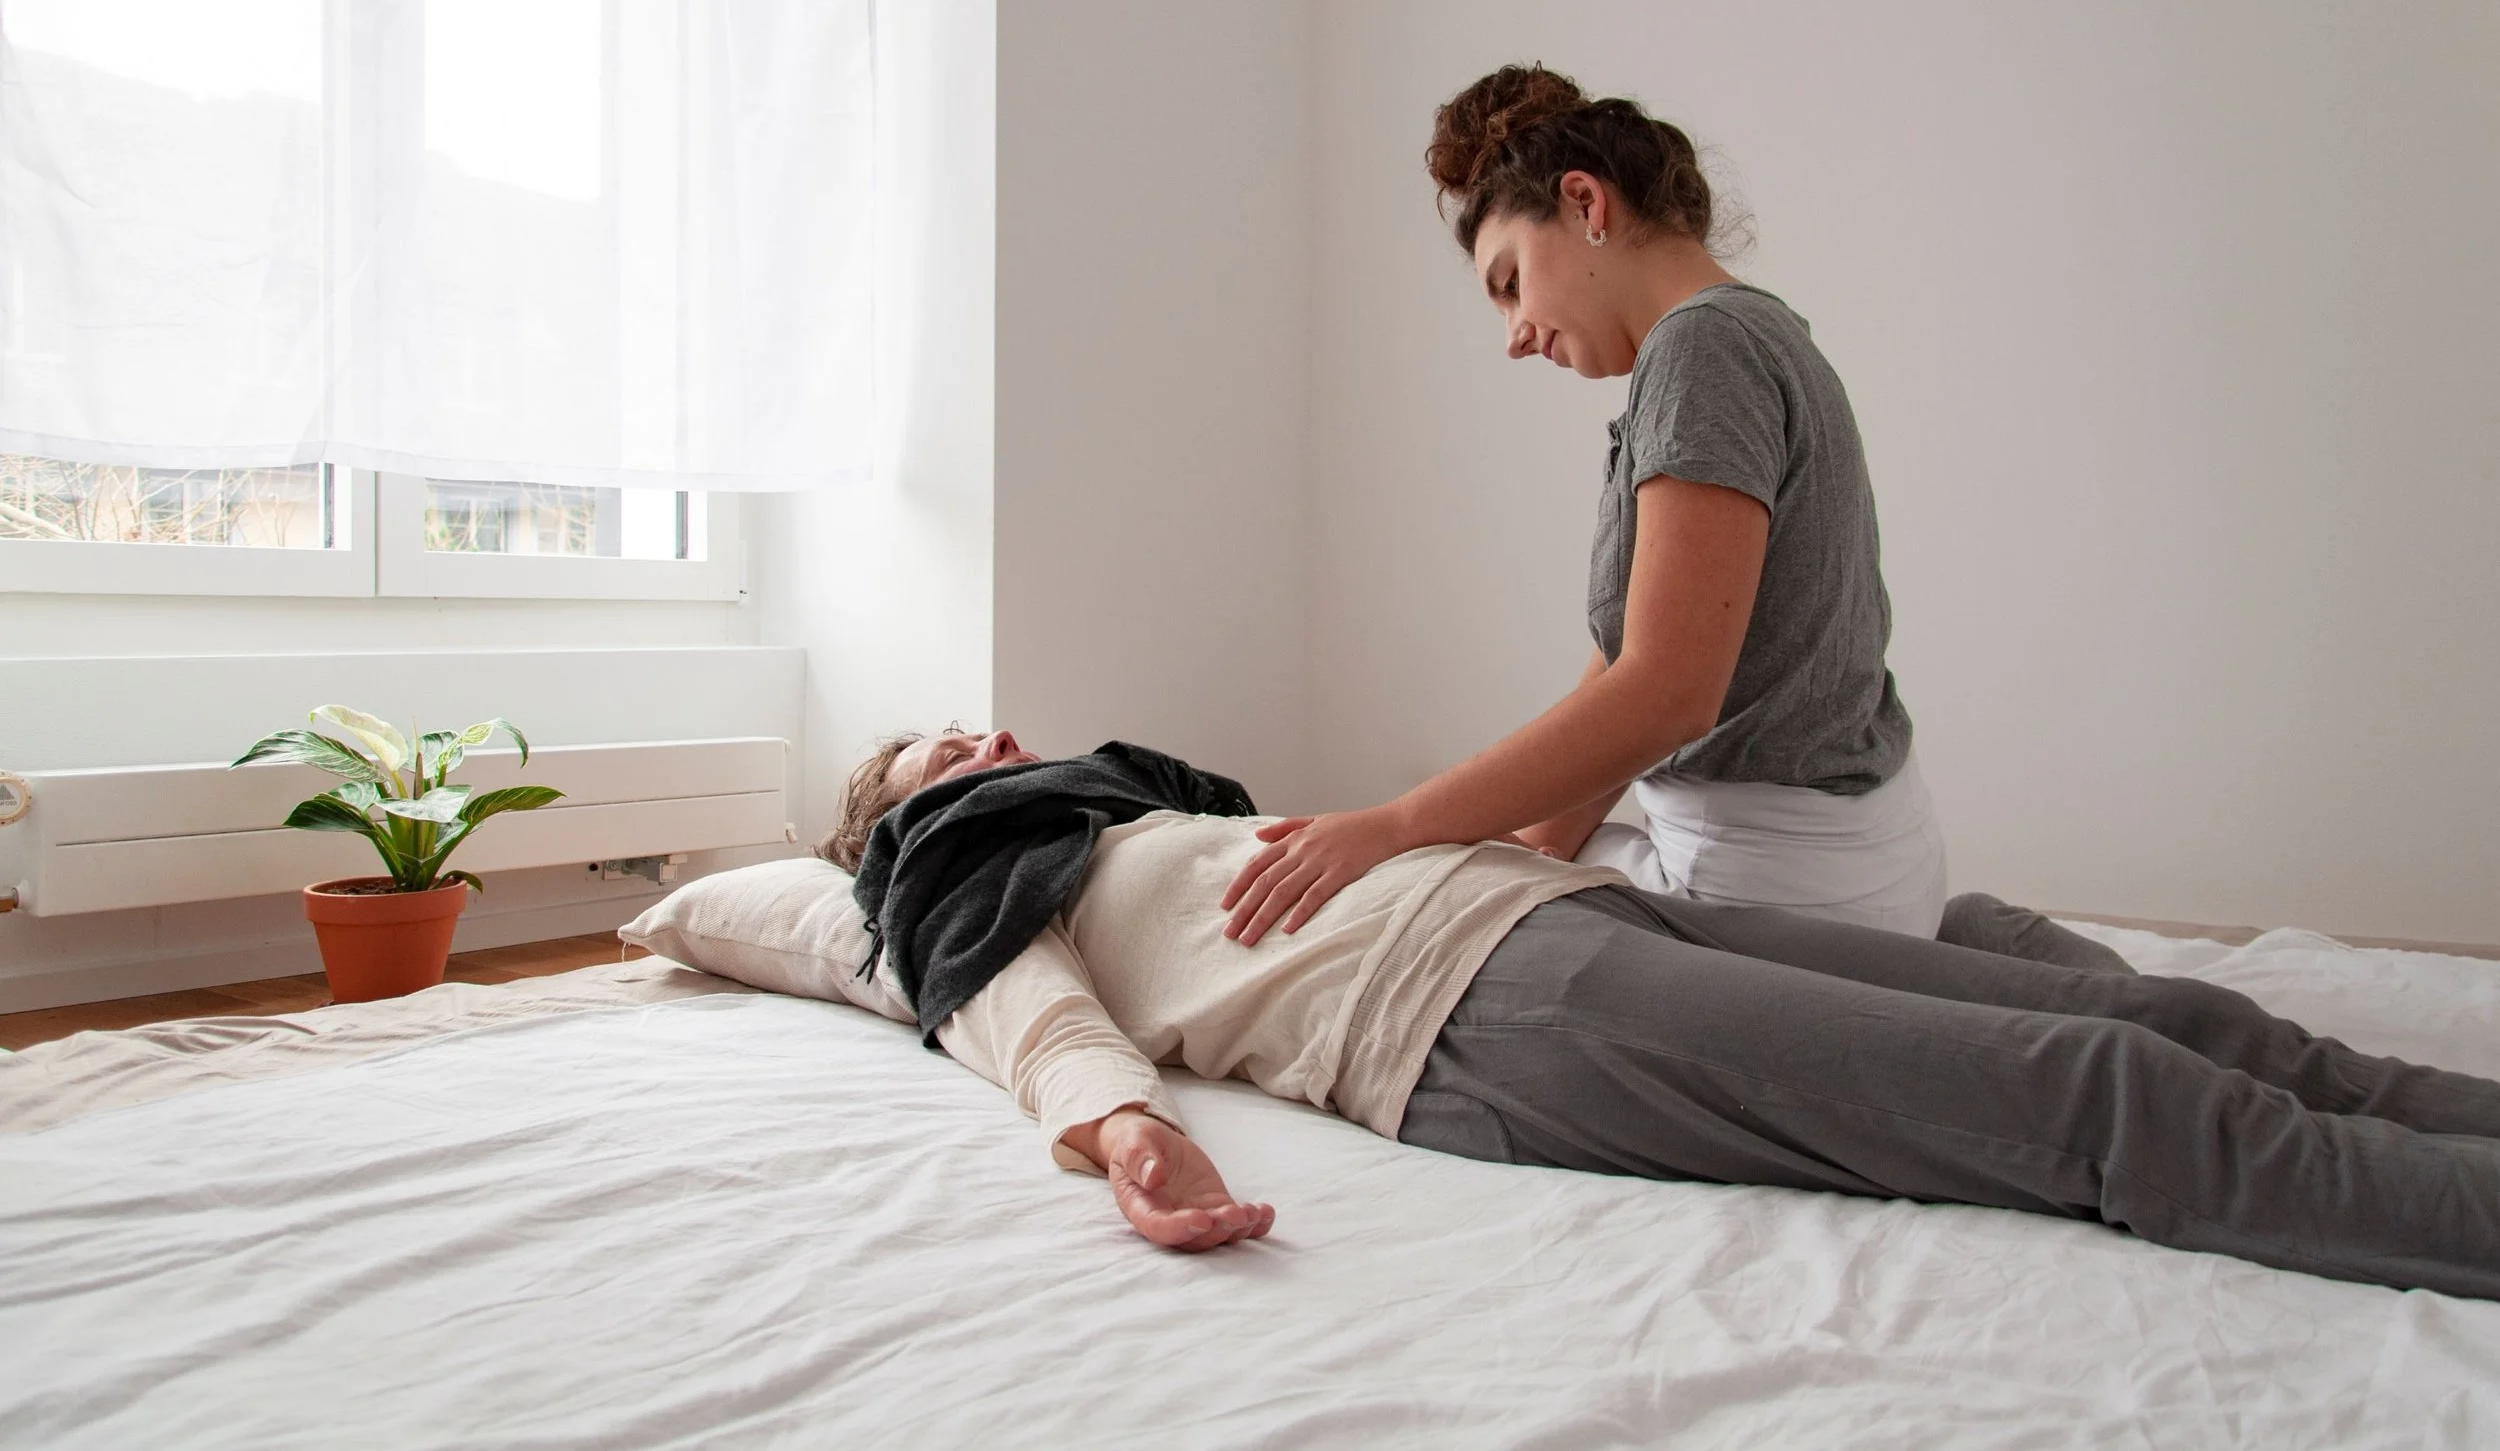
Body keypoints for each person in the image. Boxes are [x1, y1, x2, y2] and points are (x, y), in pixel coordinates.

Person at [815, 729, 2500, 1299]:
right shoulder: (954, 880)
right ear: (895, 820)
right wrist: (1128, 1140)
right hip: (1473, 1015)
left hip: (1556, 917)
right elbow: (1022, 1018)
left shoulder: (1127, 816)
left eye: (980, 728)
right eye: (933, 751)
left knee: (2183, 1018)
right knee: (2101, 1090)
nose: (983, 741)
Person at [1225, 63, 1968, 950]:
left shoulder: (1704, 351)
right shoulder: (1753, 333)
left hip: (1781, 891)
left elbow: (1665, 694)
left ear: (1584, 204)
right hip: (1844, 864)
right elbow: (1630, 658)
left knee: (1428, 947)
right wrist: (1515, 848)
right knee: (1449, 891)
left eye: (1509, 282)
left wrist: (1397, 825)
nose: (1514, 336)